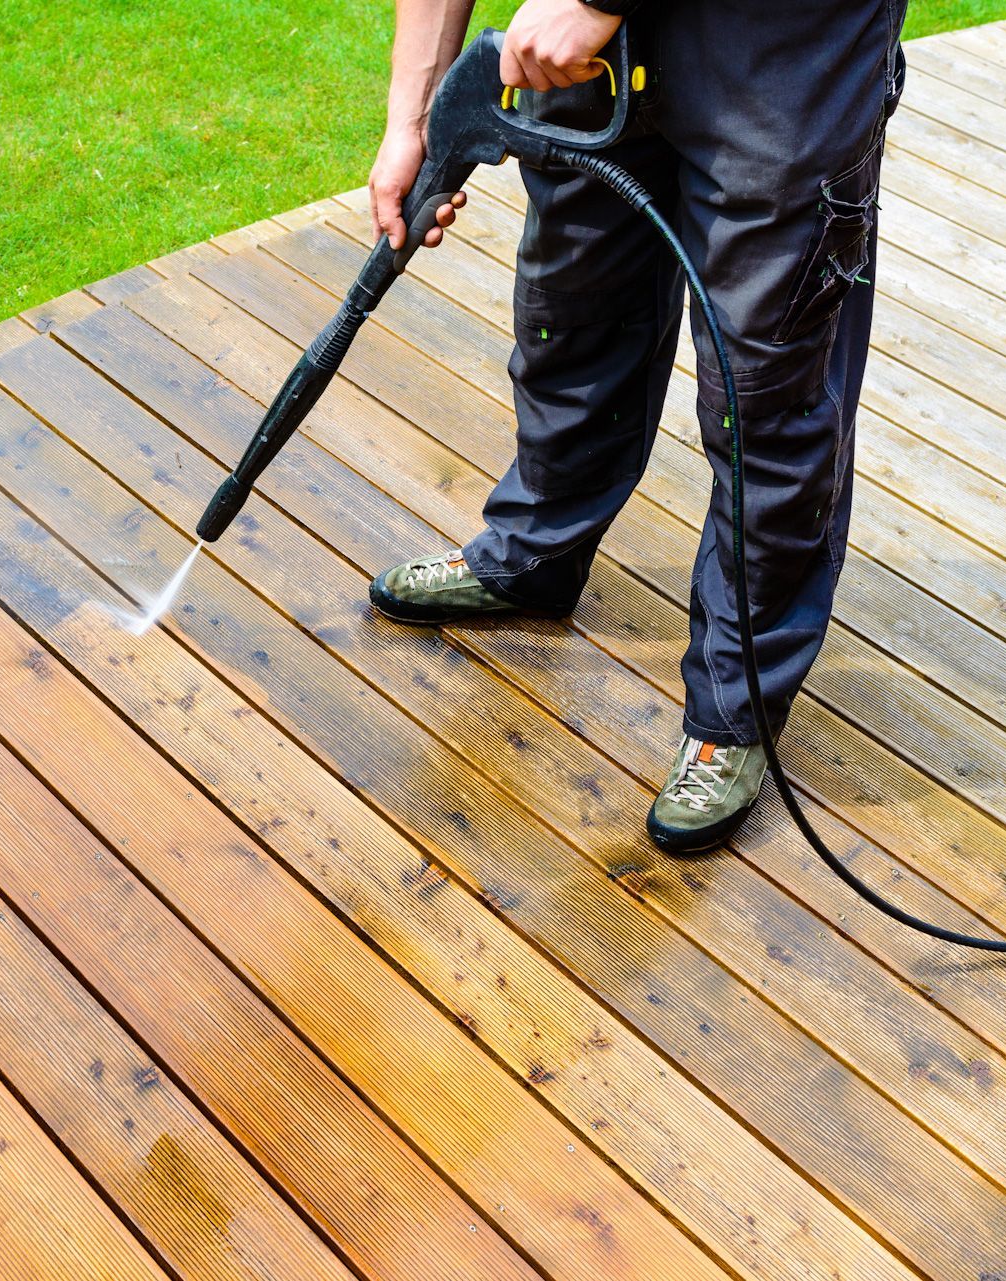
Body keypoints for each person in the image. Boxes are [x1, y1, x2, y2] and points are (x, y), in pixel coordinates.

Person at [364, 0, 906, 852]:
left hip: (785, 46)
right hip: (591, 52)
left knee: (765, 383)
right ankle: (533, 553)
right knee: (573, 308)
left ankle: (734, 709)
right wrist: (417, 117)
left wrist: (591, 4)